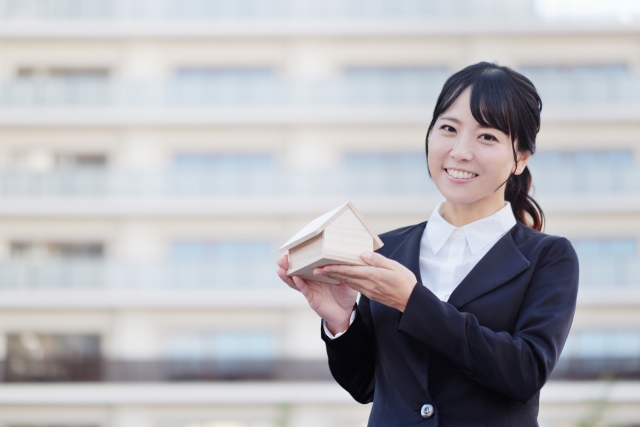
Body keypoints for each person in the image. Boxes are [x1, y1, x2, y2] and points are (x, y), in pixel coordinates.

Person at [276, 62, 579, 426]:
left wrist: (411, 301)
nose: (460, 151)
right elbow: (366, 385)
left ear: (520, 158)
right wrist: (342, 319)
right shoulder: (384, 249)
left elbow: (524, 373)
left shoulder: (548, 257)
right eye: (448, 129)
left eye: (487, 137)